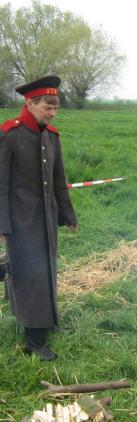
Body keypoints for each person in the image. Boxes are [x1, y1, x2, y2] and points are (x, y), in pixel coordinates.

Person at [0, 75, 78, 361]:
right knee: (29, 276)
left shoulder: (51, 136)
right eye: (47, 106)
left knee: (46, 272)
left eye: (55, 107)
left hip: (46, 219)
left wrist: (68, 214)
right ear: (30, 103)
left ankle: (46, 322)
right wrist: (2, 225)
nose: (52, 112)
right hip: (21, 223)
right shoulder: (10, 135)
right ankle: (34, 339)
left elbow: (59, 180)